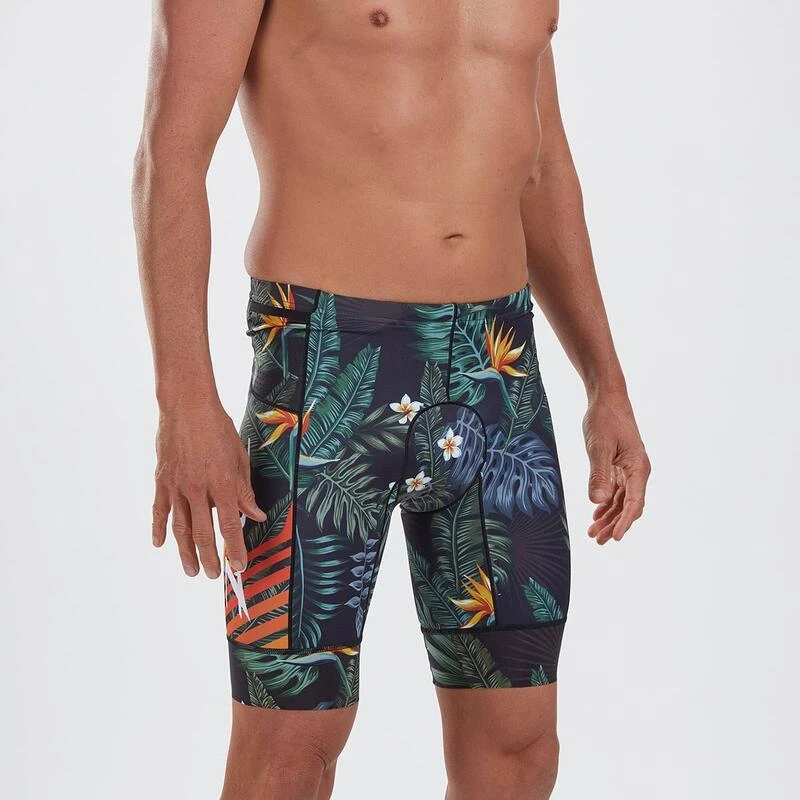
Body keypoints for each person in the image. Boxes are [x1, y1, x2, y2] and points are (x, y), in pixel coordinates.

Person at [132, 2, 651, 799]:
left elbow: (540, 166)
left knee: (519, 749)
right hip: (327, 367)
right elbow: (169, 156)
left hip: (496, 369)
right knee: (289, 752)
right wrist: (184, 403)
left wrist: (605, 384)